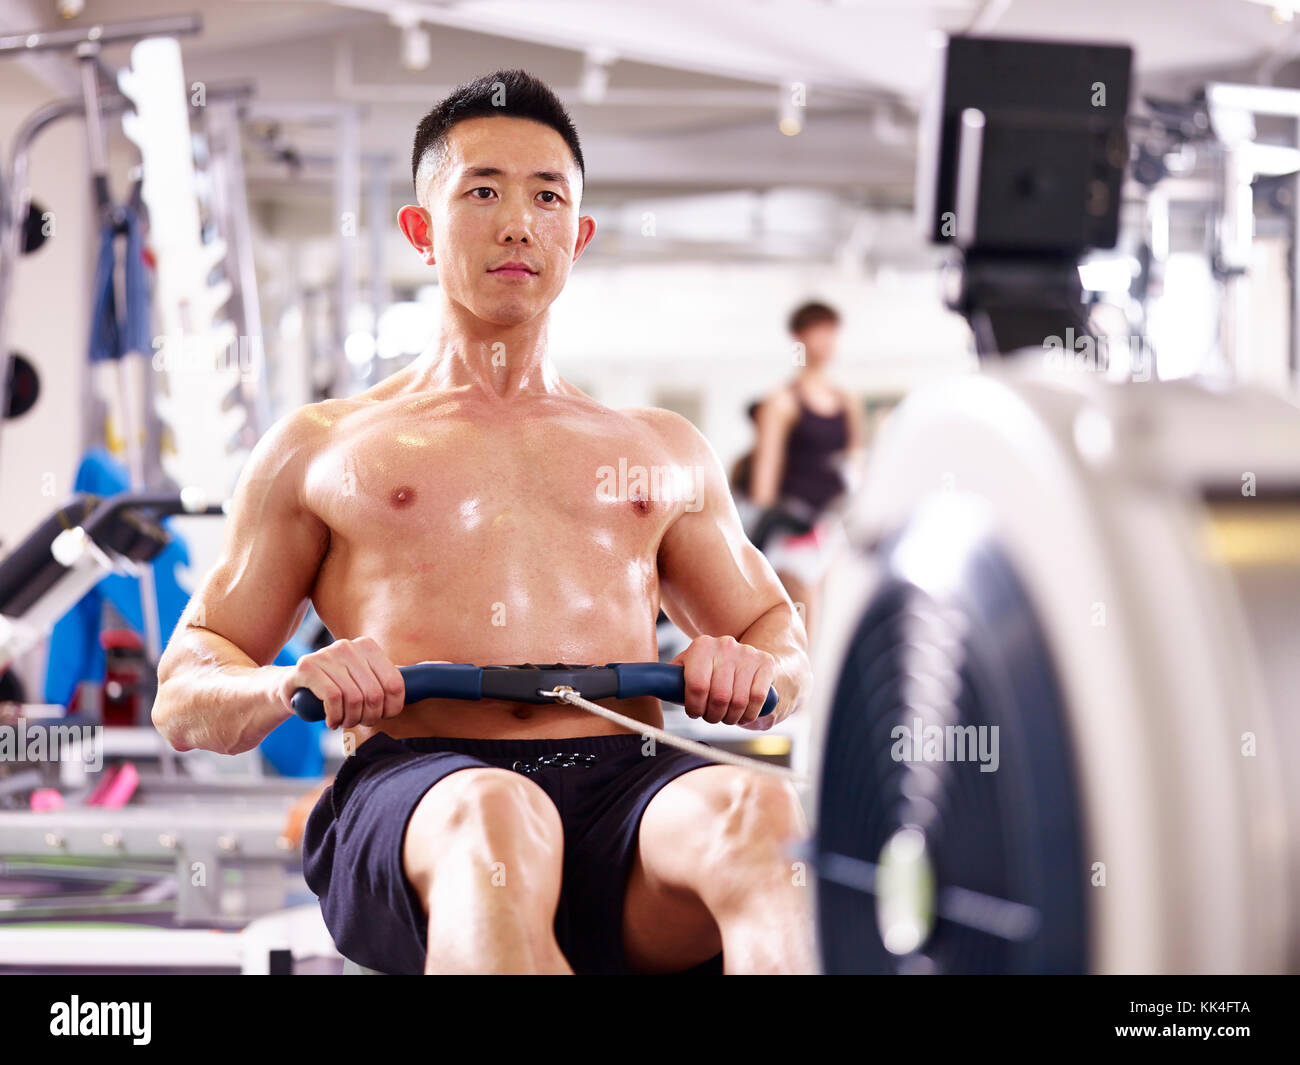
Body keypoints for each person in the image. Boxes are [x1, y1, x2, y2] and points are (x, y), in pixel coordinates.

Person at [152, 70, 814, 976]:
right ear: (421, 231)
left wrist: (754, 670)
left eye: (548, 197)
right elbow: (185, 688)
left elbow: (781, 639)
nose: (518, 223)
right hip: (426, 787)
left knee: (767, 820)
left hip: (627, 790)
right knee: (498, 815)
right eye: (483, 191)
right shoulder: (321, 448)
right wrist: (285, 684)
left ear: (576, 236)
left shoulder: (660, 450)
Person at [745, 302, 864, 643]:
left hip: (835, 531)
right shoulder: (781, 401)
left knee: (837, 626)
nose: (827, 341)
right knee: (803, 627)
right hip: (795, 536)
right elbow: (764, 484)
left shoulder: (846, 400)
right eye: (819, 331)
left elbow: (854, 466)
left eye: (832, 332)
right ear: (799, 337)